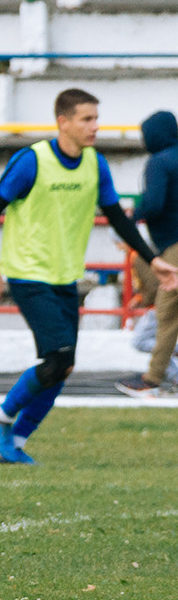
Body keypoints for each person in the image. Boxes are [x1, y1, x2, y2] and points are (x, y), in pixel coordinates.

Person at [0, 89, 178, 462]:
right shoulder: (33, 160)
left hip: (65, 276)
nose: (95, 127)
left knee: (62, 367)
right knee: (58, 357)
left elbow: (117, 217)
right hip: (27, 273)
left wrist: (152, 259)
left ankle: (17, 443)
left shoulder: (95, 164)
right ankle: (0, 418)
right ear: (63, 122)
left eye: (96, 119)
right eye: (87, 119)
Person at [119, 109, 178, 398]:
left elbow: (154, 203)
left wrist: (132, 215)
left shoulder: (159, 162)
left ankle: (153, 379)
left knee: (167, 312)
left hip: (175, 247)